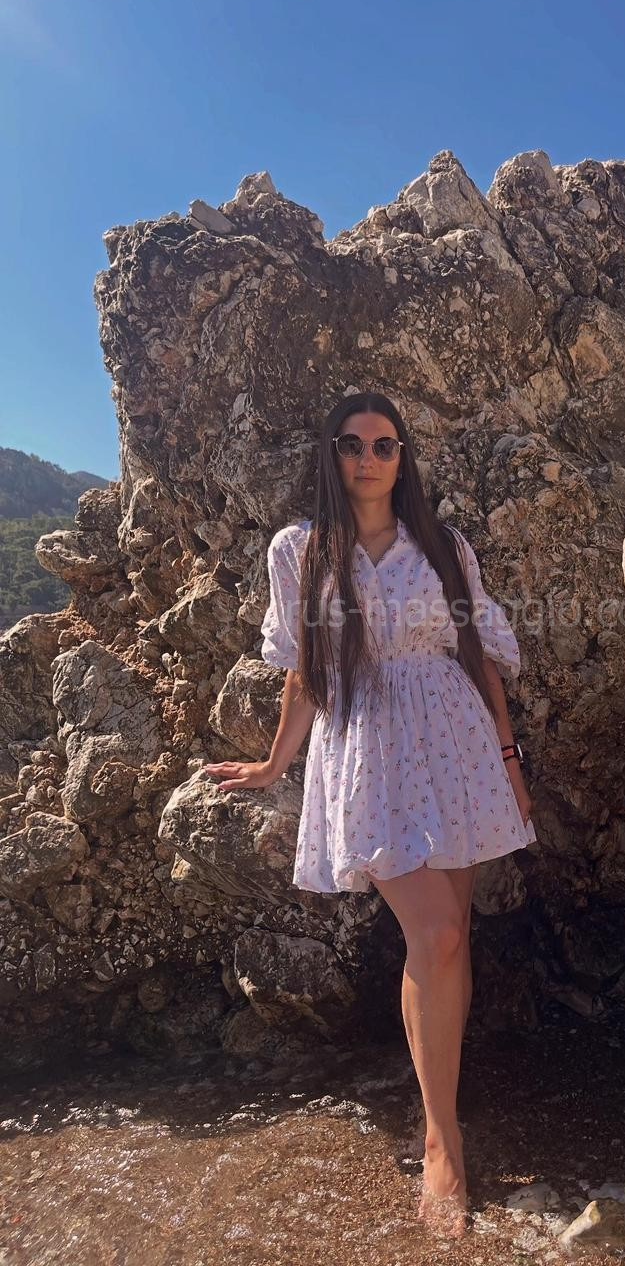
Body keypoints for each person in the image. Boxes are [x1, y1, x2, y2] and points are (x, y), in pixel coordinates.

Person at [202, 391, 535, 1238]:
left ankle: (441, 1100)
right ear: (332, 455)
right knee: (438, 932)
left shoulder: (444, 546)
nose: (368, 459)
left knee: (453, 933)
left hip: (455, 741)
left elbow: (478, 658)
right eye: (351, 444)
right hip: (369, 751)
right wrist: (274, 764)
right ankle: (442, 1139)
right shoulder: (300, 549)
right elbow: (306, 671)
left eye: (384, 445)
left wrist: (509, 763)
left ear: (402, 458)